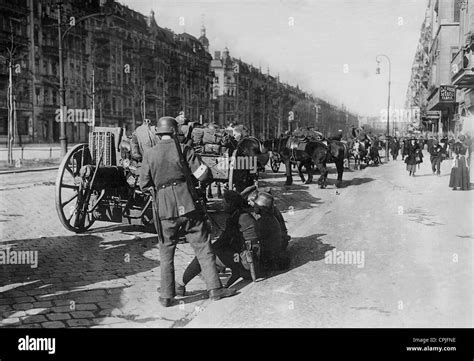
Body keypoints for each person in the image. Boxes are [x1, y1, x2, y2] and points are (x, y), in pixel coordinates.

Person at [139, 116, 237, 307]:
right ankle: (215, 289)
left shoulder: (150, 154)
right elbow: (203, 174)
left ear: (158, 133)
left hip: (165, 210)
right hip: (188, 205)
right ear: (175, 132)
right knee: (202, 246)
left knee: (166, 252)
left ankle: (167, 296)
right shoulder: (184, 150)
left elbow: (144, 184)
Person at [175, 190, 258, 293]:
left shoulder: (237, 219)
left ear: (231, 204)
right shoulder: (243, 215)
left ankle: (180, 285)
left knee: (204, 255)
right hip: (252, 261)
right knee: (212, 254)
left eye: (224, 202)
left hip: (247, 265)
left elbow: (221, 242)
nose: (222, 205)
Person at [241, 185, 290, 252]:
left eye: (251, 202)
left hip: (273, 250)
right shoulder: (270, 211)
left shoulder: (265, 219)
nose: (250, 204)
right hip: (279, 243)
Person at [253, 192, 290, 273]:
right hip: (278, 250)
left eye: (255, 205)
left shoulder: (263, 221)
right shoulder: (270, 217)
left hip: (271, 256)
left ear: (260, 208)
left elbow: (258, 237)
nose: (253, 207)